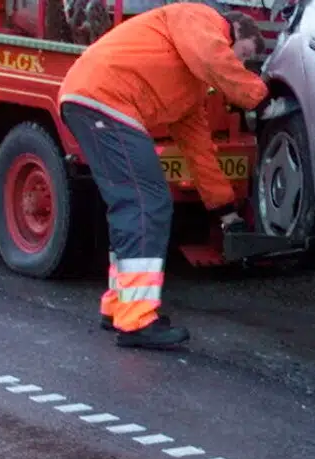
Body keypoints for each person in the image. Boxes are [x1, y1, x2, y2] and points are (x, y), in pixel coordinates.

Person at [57, 2, 270, 349]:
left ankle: (120, 307)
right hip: (106, 101)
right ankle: (136, 320)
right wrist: (258, 98)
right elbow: (214, 57)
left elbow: (199, 150)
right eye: (243, 55)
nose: (240, 64)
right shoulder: (201, 18)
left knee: (132, 207)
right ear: (234, 33)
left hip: (96, 101)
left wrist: (225, 210)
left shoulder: (189, 87)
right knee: (147, 204)